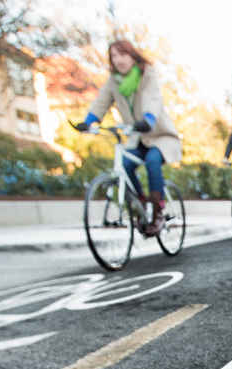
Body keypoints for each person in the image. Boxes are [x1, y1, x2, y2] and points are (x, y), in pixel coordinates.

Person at [74, 40, 182, 237]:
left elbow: (152, 97)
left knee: (152, 160)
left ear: (132, 56)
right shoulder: (114, 81)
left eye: (122, 55)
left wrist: (148, 118)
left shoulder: (146, 74)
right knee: (123, 164)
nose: (118, 60)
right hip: (137, 137)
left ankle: (158, 212)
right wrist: (89, 121)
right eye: (113, 56)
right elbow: (101, 102)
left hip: (158, 134)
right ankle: (140, 204)